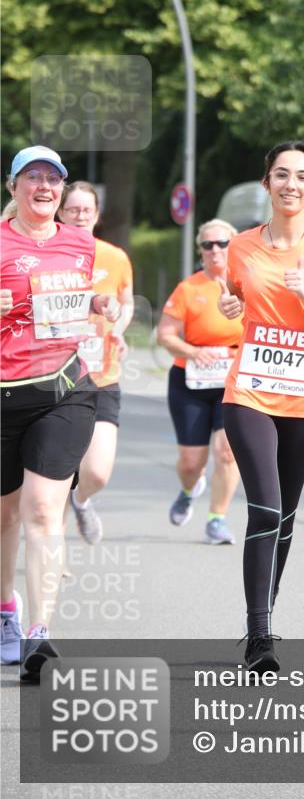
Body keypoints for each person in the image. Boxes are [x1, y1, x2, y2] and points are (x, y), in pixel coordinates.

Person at [219, 141, 304, 673]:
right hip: (248, 391)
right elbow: (235, 301)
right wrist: (231, 306)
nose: (290, 184)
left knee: (288, 516)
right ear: (266, 184)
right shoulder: (240, 247)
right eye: (281, 174)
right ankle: (260, 636)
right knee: (266, 509)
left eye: (301, 176)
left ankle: (266, 613)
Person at [0, 146, 119, 682]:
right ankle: (7, 611)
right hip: (5, 394)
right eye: (33, 177)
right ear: (13, 188)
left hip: (63, 390)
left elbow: (79, 300)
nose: (44, 186)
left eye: (53, 178)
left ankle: (39, 636)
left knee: (44, 510)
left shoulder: (81, 244)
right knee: (4, 516)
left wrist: (99, 306)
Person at [157, 220, 243, 544]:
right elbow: (164, 335)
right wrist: (192, 351)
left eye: (222, 243)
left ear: (233, 244)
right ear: (200, 250)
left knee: (227, 452)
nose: (216, 250)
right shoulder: (189, 288)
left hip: (231, 381)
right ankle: (187, 488)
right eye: (208, 245)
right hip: (190, 381)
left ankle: (217, 519)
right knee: (192, 461)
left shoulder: (245, 286)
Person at [58, 182, 134, 544]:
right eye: (73, 210)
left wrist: (118, 328)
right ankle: (52, 559)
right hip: (52, 376)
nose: (80, 216)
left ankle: (82, 499)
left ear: (97, 215)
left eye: (87, 210)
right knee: (53, 473)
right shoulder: (47, 255)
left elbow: (127, 301)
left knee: (98, 471)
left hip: (101, 374)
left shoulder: (115, 257)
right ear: (61, 213)